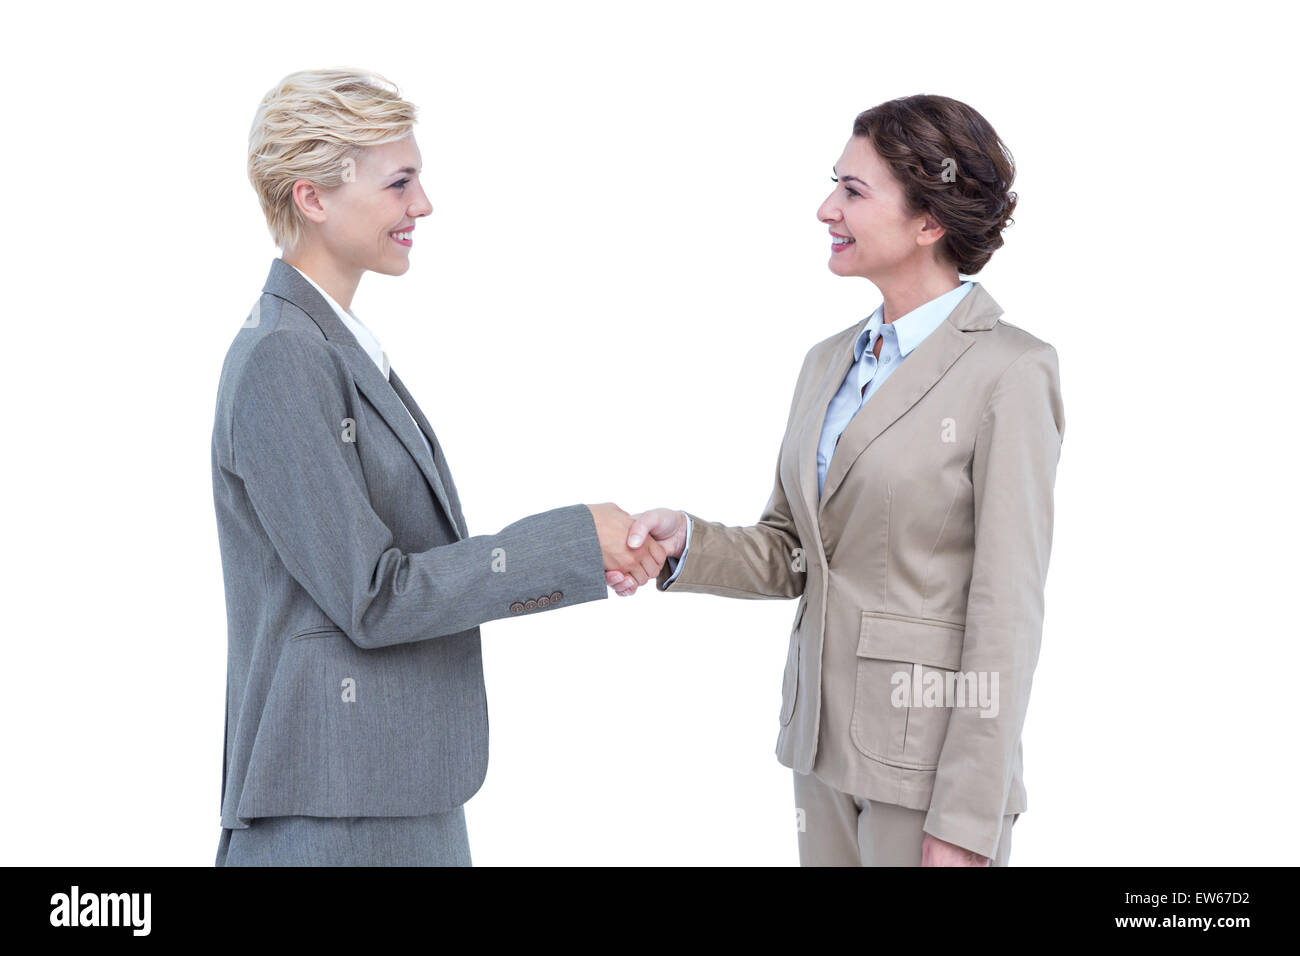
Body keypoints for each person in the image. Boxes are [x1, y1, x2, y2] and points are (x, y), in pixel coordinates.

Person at [211, 68, 664, 866]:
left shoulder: (331, 347)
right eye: (400, 182)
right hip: (335, 815)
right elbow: (373, 596)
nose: (422, 205)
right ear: (312, 197)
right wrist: (571, 543)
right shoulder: (285, 359)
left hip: (385, 796)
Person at [608, 95, 1064, 867]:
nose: (827, 209)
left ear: (931, 221)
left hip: (927, 778)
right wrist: (687, 541)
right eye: (835, 185)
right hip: (820, 754)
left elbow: (1006, 611)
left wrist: (966, 816)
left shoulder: (1010, 371)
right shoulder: (829, 361)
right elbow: (795, 552)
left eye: (854, 191)